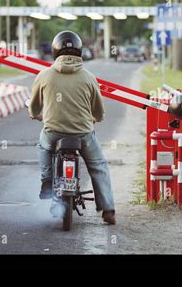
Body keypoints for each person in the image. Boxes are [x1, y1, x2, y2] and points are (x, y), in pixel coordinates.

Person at [28, 30, 116, 225]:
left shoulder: (44, 75)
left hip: (53, 132)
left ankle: (47, 182)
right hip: (83, 133)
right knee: (98, 165)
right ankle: (108, 209)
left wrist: (36, 115)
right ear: (79, 50)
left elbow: (34, 106)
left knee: (43, 147)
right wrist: (95, 118)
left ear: (54, 50)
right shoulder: (89, 77)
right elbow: (99, 111)